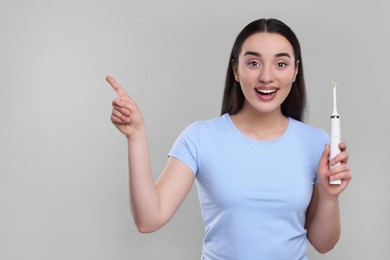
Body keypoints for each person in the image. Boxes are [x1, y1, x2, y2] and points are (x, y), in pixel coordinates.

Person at [107, 18, 352, 260]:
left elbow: (323, 244)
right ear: (235, 70)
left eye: (280, 64)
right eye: (254, 63)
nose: (266, 77)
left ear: (295, 71)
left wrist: (330, 197)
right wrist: (136, 136)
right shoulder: (200, 137)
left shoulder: (316, 143)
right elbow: (148, 220)